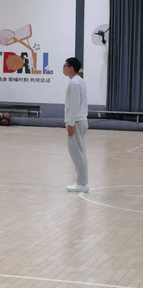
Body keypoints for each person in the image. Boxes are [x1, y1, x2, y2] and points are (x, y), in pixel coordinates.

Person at [63, 57, 89, 193]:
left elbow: (74, 106)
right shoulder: (79, 81)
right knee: (80, 153)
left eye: (65, 66)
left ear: (71, 68)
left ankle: (81, 183)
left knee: (76, 153)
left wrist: (70, 123)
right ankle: (82, 182)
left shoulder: (74, 83)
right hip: (80, 121)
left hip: (76, 122)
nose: (63, 68)